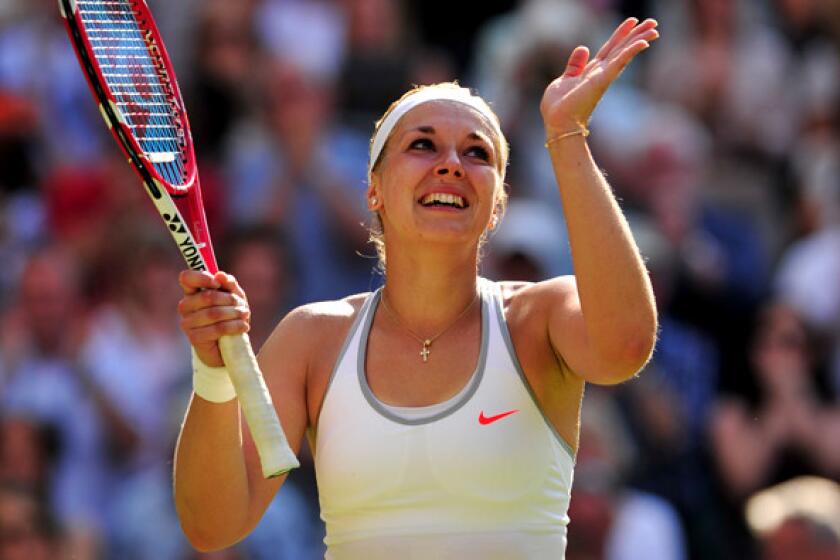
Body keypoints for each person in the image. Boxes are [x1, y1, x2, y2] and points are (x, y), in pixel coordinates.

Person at [173, 17, 659, 559]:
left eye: (477, 153)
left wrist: (567, 134)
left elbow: (626, 347)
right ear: (374, 190)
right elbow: (212, 525)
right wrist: (213, 373)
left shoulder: (539, 315)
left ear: (498, 203)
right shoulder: (313, 338)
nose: (451, 165)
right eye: (423, 145)